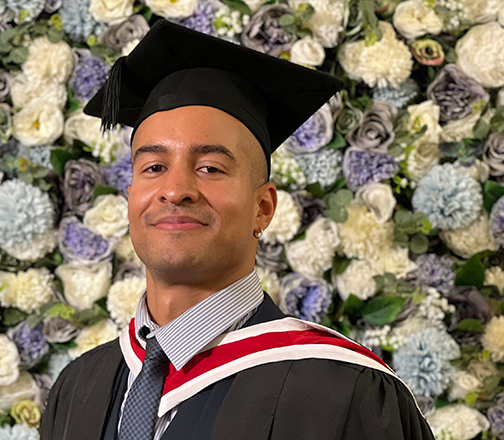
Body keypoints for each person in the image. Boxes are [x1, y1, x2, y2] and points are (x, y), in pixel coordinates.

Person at [40, 18, 435, 440]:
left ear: (262, 209)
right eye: (154, 167)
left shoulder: (346, 393)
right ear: (130, 197)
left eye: (210, 168)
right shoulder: (78, 386)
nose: (174, 190)